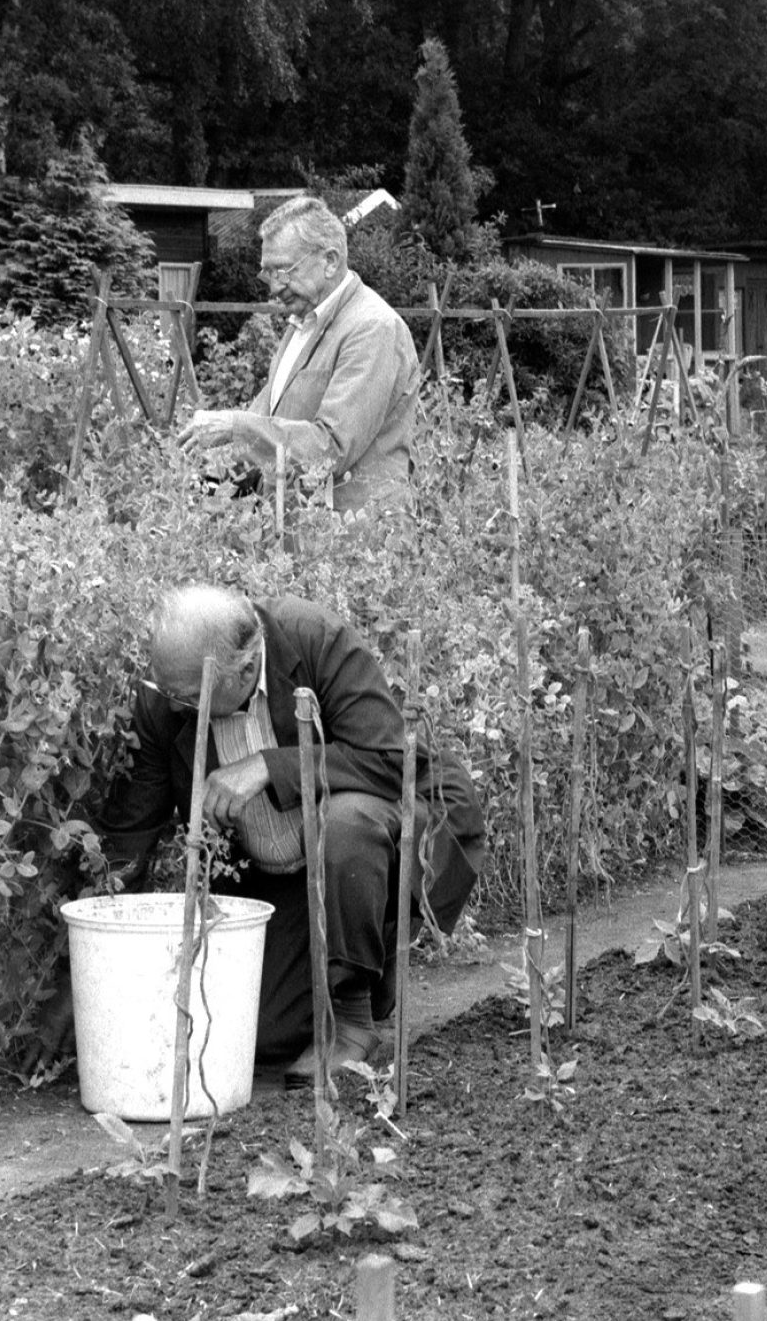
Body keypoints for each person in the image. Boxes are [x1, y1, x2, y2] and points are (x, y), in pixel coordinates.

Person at [35, 585, 485, 1081]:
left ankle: (352, 1010)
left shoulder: (316, 641)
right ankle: (361, 968)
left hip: (386, 834)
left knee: (347, 825)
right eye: (170, 693)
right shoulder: (168, 698)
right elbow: (127, 837)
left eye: (188, 696)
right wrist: (73, 984)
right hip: (282, 878)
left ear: (246, 670)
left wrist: (271, 767)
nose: (177, 707)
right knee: (259, 1034)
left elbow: (394, 761)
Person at [181, 194, 421, 513]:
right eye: (268, 273)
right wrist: (203, 487)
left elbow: (330, 449)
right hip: (304, 538)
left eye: (283, 271)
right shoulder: (302, 325)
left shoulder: (372, 329)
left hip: (358, 544)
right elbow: (264, 436)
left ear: (330, 261)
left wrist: (235, 425)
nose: (274, 287)